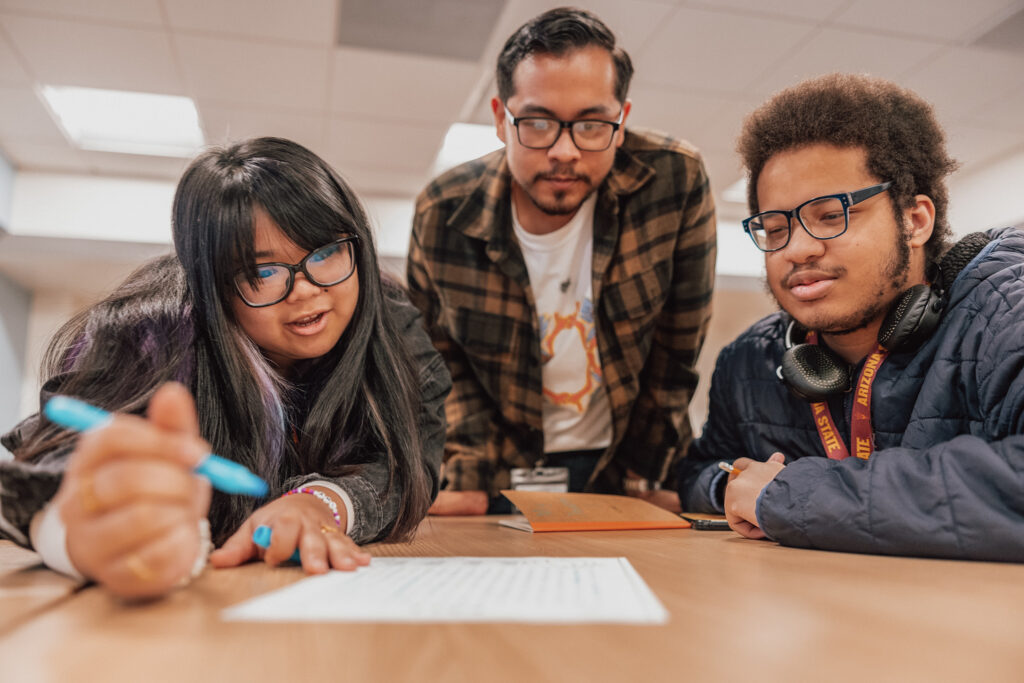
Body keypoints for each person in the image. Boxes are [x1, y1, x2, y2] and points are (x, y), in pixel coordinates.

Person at [0, 137, 451, 597]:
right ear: (212, 285)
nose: (306, 290)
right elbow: (43, 476)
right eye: (262, 273)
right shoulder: (150, 330)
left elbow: (408, 457)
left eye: (324, 253)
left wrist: (322, 504)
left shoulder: (390, 320)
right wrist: (76, 535)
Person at [676, 74, 1024, 561]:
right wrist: (730, 487)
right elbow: (699, 470)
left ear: (915, 220)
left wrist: (788, 495)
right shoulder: (749, 360)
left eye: (830, 215)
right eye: (775, 228)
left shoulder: (1006, 307)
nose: (796, 249)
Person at [407, 7, 716, 514]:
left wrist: (646, 471)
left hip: (630, 465)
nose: (565, 151)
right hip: (497, 471)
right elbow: (439, 360)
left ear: (621, 123)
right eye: (538, 122)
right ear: (500, 120)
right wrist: (466, 473)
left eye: (592, 124)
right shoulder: (443, 212)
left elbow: (676, 350)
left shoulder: (673, 180)